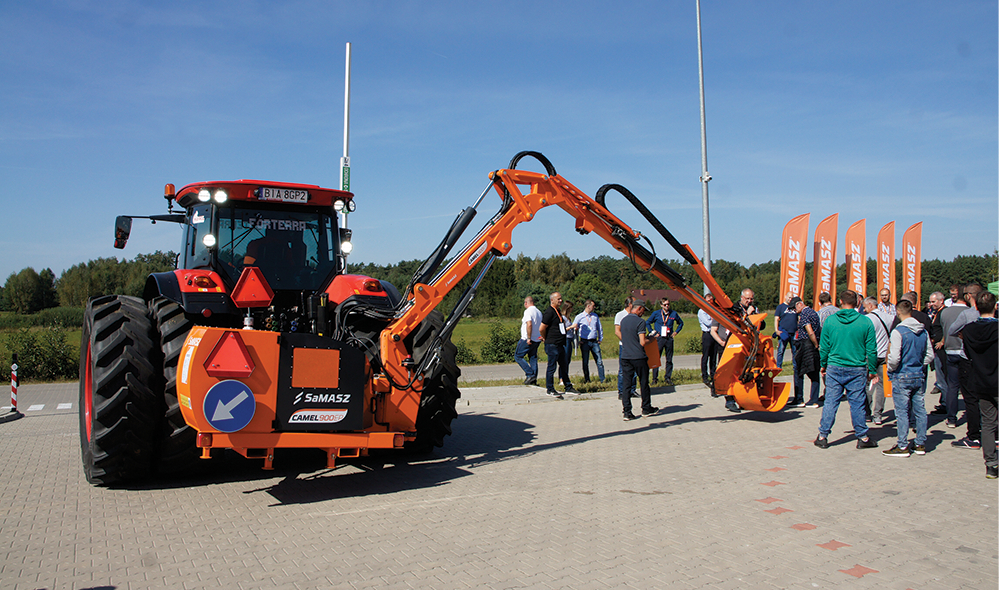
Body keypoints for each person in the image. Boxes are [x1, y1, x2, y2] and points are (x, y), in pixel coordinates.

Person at [815, 290, 879, 450]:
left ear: (840, 301)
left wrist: (823, 365)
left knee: (831, 402)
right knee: (857, 404)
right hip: (856, 367)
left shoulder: (830, 321)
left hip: (834, 367)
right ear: (858, 302)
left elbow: (824, 347)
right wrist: (872, 369)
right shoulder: (865, 322)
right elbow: (872, 350)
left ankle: (823, 436)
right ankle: (862, 437)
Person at [882, 299, 934, 457]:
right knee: (920, 410)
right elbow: (930, 355)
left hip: (902, 374)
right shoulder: (923, 331)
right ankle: (920, 443)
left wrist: (891, 368)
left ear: (898, 312)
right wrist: (918, 363)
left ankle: (903, 445)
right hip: (918, 373)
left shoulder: (898, 331)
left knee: (902, 412)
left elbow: (894, 357)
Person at [959, 291, 999, 478]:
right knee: (990, 423)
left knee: (988, 424)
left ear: (976, 307)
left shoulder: (968, 330)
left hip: (981, 380)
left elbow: (967, 353)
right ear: (995, 307)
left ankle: (991, 463)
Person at [946, 283, 984, 448]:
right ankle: (995, 436)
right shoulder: (993, 315)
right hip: (988, 361)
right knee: (989, 399)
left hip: (968, 359)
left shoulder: (967, 314)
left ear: (968, 296)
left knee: (970, 399)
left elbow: (952, 331)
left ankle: (973, 436)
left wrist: (965, 335)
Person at [618, 303, 658, 421]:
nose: (643, 313)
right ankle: (646, 408)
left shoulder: (623, 321)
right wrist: (652, 338)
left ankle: (627, 411)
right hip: (638, 356)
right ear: (639, 308)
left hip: (625, 356)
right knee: (644, 382)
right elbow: (642, 342)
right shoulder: (640, 322)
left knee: (626, 384)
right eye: (643, 310)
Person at [938, 288, 971, 428]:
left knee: (952, 385)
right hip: (966, 352)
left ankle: (951, 418)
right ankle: (973, 417)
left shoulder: (945, 312)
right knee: (969, 387)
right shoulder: (971, 312)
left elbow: (945, 330)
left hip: (950, 350)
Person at [862, 296, 892, 425]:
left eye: (864, 307)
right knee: (882, 386)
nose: (863, 309)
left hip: (871, 355)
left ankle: (867, 413)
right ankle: (878, 415)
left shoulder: (867, 319)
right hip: (885, 355)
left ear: (870, 305)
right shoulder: (889, 317)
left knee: (868, 384)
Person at [540, 292, 577, 399]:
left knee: (564, 365)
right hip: (552, 344)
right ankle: (550, 389)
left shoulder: (558, 311)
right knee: (552, 366)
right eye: (558, 299)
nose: (560, 301)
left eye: (561, 299)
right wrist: (545, 337)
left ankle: (568, 386)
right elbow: (542, 328)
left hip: (560, 343)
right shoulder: (549, 312)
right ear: (552, 300)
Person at [791, 297, 822, 408]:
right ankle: (814, 399)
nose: (795, 311)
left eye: (794, 308)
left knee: (799, 371)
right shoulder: (813, 312)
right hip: (813, 344)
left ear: (799, 304)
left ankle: (799, 399)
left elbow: (810, 331)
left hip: (806, 345)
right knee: (814, 372)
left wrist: (815, 344)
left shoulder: (804, 314)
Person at [646, 297, 683, 386]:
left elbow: (681, 323)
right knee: (656, 358)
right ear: (661, 305)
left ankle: (668, 377)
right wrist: (653, 332)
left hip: (669, 338)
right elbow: (647, 322)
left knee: (669, 359)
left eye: (668, 304)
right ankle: (655, 378)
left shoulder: (673, 313)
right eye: (665, 304)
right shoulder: (656, 314)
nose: (667, 306)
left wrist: (676, 332)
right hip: (659, 338)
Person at [573, 299, 605, 383]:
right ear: (588, 306)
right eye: (593, 306)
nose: (594, 307)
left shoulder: (595, 316)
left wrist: (600, 338)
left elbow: (599, 328)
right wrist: (577, 341)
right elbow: (574, 328)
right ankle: (587, 379)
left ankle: (602, 379)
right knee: (585, 362)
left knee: (599, 361)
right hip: (585, 341)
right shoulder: (579, 317)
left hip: (594, 341)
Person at [927, 291, 948, 414]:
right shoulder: (936, 312)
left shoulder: (943, 313)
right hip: (936, 348)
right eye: (931, 301)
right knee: (940, 376)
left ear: (941, 300)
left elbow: (947, 328)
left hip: (941, 350)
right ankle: (944, 401)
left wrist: (942, 341)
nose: (931, 304)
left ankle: (945, 403)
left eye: (934, 301)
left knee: (943, 377)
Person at [515, 296, 543, 386]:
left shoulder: (528, 311)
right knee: (533, 358)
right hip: (537, 338)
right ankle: (533, 379)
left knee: (518, 356)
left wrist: (528, 337)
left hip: (528, 339)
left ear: (526, 303)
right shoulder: (539, 312)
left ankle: (530, 374)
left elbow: (529, 324)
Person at [615, 297, 639, 398]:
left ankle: (632, 390)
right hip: (624, 346)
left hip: (634, 346)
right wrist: (626, 341)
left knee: (634, 370)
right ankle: (621, 391)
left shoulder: (635, 315)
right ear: (630, 304)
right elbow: (617, 331)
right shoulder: (620, 315)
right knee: (622, 370)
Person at [698, 294, 719, 389]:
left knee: (714, 356)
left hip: (714, 333)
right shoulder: (702, 311)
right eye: (708, 301)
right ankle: (704, 375)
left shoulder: (714, 311)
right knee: (706, 355)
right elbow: (709, 323)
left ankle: (713, 374)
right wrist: (715, 319)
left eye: (711, 301)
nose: (710, 302)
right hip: (707, 334)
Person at [774, 292, 798, 368]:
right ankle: (778, 366)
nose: (790, 299)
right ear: (785, 297)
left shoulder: (794, 307)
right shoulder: (780, 307)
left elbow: (798, 319)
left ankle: (796, 366)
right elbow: (776, 319)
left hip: (793, 332)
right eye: (789, 297)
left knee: (795, 351)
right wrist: (777, 330)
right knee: (781, 351)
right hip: (784, 332)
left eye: (792, 298)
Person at [561, 301, 576, 386]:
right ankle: (561, 378)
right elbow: (562, 330)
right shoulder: (563, 318)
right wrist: (571, 327)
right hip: (565, 339)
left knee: (568, 360)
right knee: (564, 360)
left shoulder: (568, 318)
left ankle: (565, 377)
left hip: (570, 339)